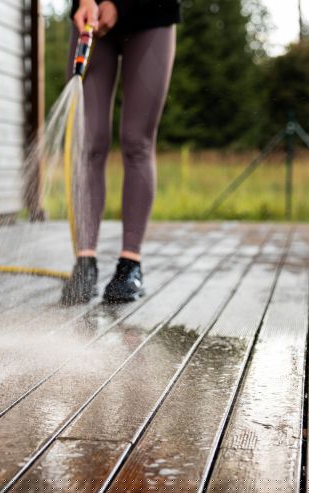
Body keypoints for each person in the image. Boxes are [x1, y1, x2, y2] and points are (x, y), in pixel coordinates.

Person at [60, 0, 180, 305]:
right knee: (89, 143)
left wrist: (120, 4)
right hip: (92, 20)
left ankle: (130, 265)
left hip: (151, 15)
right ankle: (85, 262)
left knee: (137, 142)